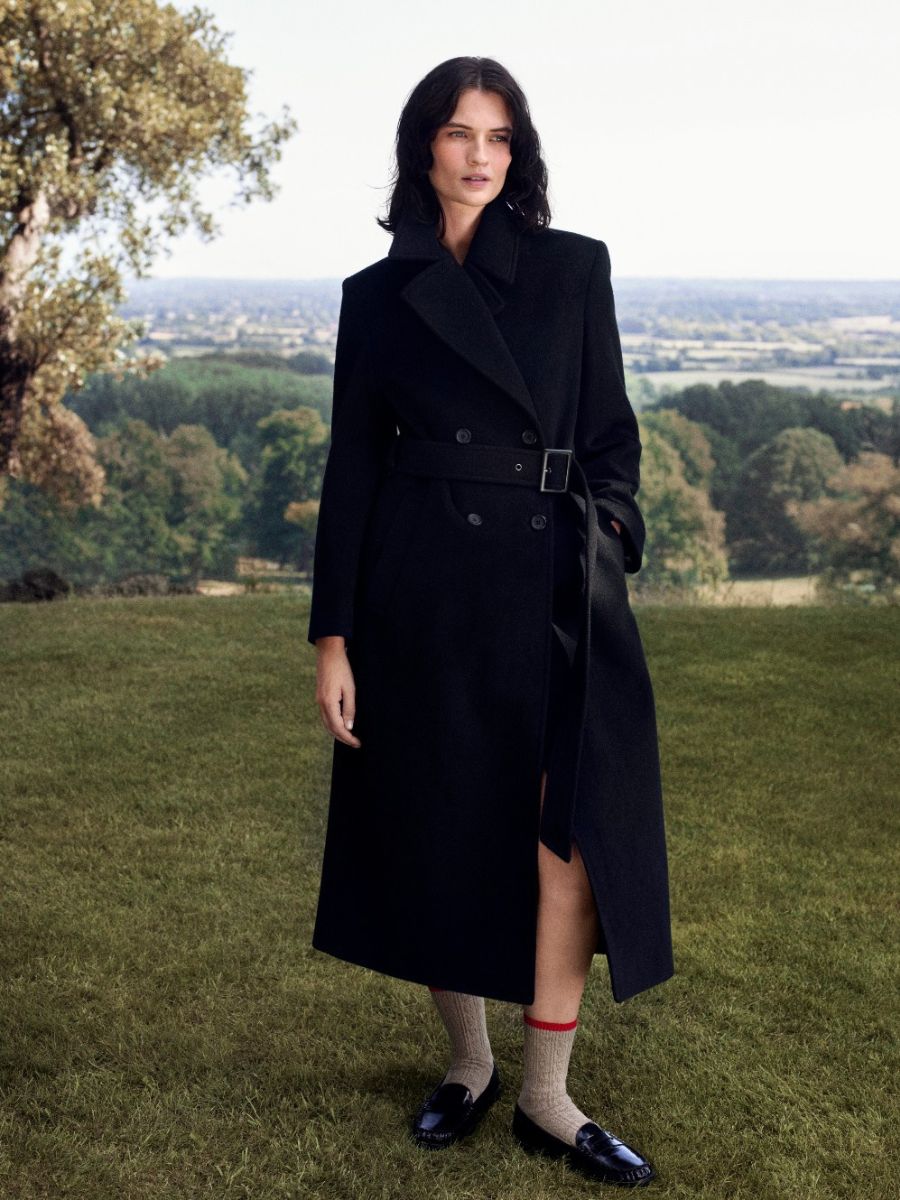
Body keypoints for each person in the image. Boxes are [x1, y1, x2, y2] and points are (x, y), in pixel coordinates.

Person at [308, 56, 673, 1187]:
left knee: (569, 844)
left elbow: (612, 436)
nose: (480, 155)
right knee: (444, 829)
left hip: (557, 591)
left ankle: (547, 1098)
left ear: (520, 153)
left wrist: (608, 532)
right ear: (423, 145)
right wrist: (334, 637)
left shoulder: (573, 268)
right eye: (460, 133)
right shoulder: (378, 295)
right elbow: (352, 472)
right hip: (422, 596)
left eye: (500, 137)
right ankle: (469, 1066)